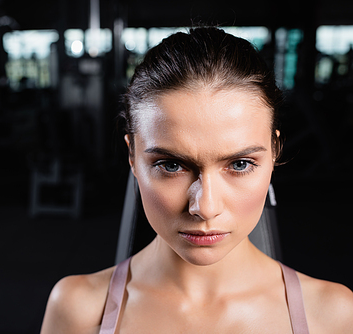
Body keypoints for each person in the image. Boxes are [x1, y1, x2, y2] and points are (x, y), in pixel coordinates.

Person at [40, 27, 353, 334]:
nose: (205, 207)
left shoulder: (333, 315)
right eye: (172, 165)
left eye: (240, 163)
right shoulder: (77, 310)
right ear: (132, 157)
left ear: (274, 153)